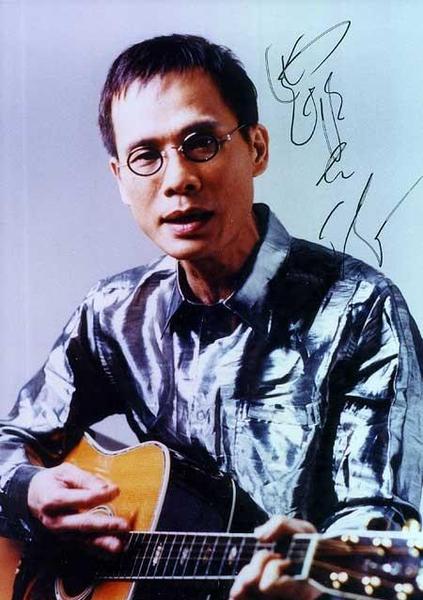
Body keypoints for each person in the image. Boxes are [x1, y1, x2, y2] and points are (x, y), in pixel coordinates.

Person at [0, 33, 422, 600]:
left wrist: (316, 592)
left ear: (256, 148)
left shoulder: (361, 311)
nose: (177, 179)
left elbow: (378, 524)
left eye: (200, 143)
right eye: (145, 156)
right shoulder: (116, 313)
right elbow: (12, 440)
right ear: (120, 179)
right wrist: (29, 489)